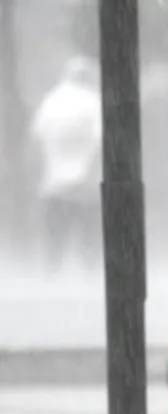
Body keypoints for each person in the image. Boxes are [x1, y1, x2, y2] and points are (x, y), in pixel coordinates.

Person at [29, 56, 102, 275]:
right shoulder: (94, 102)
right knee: (89, 236)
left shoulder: (51, 101)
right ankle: (91, 274)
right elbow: (101, 138)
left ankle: (51, 275)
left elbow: (36, 135)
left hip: (54, 182)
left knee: (55, 237)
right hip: (86, 181)